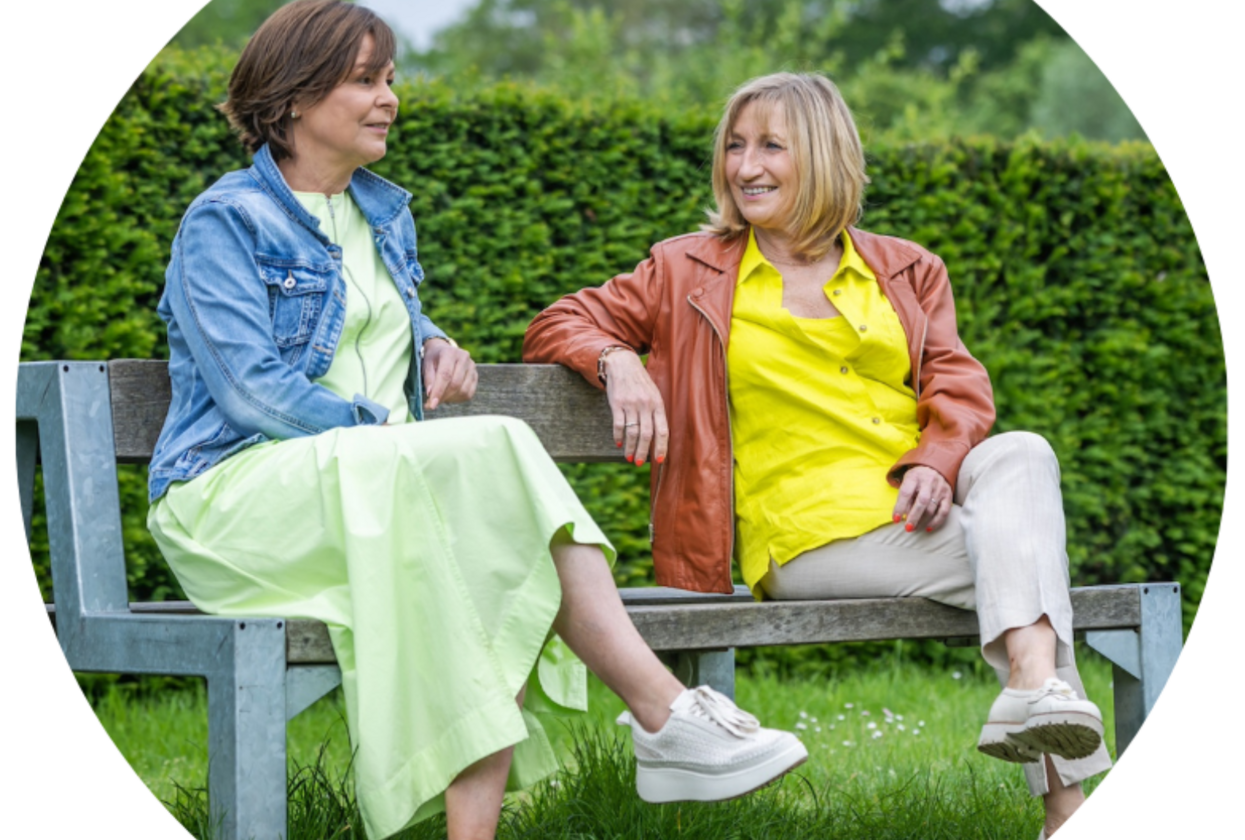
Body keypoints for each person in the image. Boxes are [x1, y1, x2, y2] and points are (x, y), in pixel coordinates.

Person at [144, 5, 806, 839]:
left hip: (376, 485)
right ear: (294, 97)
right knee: (493, 453)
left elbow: (365, 318)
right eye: (364, 80)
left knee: (488, 559)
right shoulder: (224, 221)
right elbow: (250, 389)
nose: (389, 98)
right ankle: (663, 711)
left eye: (389, 79)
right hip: (233, 500)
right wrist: (384, 429)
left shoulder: (382, 216)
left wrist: (431, 339)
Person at [523, 72, 1112, 839]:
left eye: (772, 145)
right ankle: (1062, 801)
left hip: (921, 507)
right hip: (811, 536)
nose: (745, 165)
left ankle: (1035, 694)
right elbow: (559, 321)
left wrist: (936, 461)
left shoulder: (905, 269)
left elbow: (959, 386)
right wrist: (617, 360)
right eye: (735, 146)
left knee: (1022, 452)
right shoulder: (687, 269)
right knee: (1027, 565)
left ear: (826, 156)